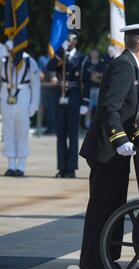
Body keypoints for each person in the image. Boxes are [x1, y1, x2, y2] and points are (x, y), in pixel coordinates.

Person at [78, 22, 139, 269]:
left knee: (113, 207)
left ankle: (107, 262)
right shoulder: (124, 65)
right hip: (107, 151)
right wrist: (119, 138)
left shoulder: (133, 66)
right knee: (102, 210)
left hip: (116, 152)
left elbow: (129, 116)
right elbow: (109, 108)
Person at [47, 30, 89, 178]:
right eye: (67, 39)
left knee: (72, 134)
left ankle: (71, 168)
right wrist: (60, 50)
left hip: (74, 96)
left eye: (71, 39)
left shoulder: (82, 58)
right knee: (61, 134)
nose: (69, 42)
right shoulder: (60, 56)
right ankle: (62, 168)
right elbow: (50, 66)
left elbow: (86, 82)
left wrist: (85, 101)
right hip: (60, 96)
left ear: (76, 41)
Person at [0, 41, 40, 177]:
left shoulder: (29, 61)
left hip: (23, 96)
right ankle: (11, 164)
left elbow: (35, 84)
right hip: (6, 95)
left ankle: (21, 165)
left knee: (22, 132)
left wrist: (34, 104)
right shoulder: (3, 59)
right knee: (7, 131)